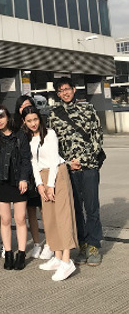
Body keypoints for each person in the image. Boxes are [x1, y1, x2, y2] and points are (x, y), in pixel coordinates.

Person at [48, 77, 104, 266]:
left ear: (74, 89)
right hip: (68, 170)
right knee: (76, 210)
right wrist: (67, 162)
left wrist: (86, 160)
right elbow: (53, 144)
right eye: (61, 90)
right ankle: (81, 244)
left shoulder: (88, 109)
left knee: (92, 207)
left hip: (88, 167)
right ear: (58, 93)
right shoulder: (54, 114)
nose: (65, 93)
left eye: (67, 89)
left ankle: (94, 245)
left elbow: (97, 135)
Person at [23, 106, 78, 281]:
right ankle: (58, 255)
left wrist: (50, 185)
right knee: (50, 218)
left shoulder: (50, 134)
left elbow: (54, 160)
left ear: (40, 118)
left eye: (35, 119)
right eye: (29, 120)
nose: (33, 123)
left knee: (63, 216)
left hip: (57, 175)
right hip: (42, 176)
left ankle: (67, 260)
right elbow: (32, 163)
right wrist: (39, 185)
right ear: (24, 122)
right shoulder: (29, 138)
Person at [0, 105, 31, 270]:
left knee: (19, 219)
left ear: (8, 117)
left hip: (18, 181)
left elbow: (26, 158)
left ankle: (21, 253)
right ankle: (9, 253)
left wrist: (24, 178)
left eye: (1, 117)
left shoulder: (20, 135)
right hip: (1, 182)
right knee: (4, 220)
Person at [14, 95, 51, 260]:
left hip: (41, 175)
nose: (25, 108)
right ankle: (37, 243)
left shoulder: (42, 130)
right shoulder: (18, 130)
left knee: (45, 211)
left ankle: (50, 243)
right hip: (26, 177)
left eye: (28, 105)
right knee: (30, 213)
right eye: (22, 106)